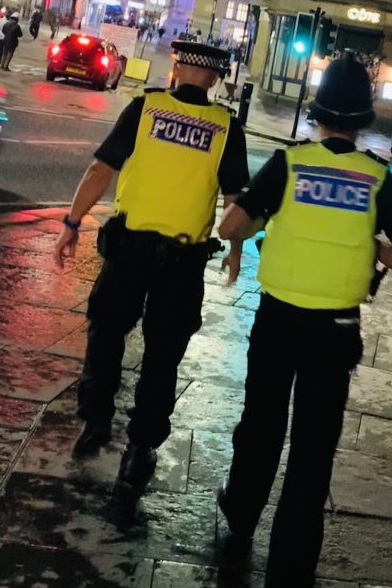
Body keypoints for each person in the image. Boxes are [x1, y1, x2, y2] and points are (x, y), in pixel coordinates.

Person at [217, 52, 392, 588]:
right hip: (334, 333)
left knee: (261, 423)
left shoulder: (289, 164)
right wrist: (378, 249)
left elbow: (231, 224)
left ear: (315, 113)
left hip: (276, 321)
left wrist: (264, 226)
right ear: (364, 119)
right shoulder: (377, 177)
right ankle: (291, 571)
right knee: (313, 451)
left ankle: (240, 520)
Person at [53, 40, 249, 491]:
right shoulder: (225, 128)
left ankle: (96, 420)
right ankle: (140, 448)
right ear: (217, 78)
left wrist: (71, 222)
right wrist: (236, 252)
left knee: (105, 329)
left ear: (176, 69)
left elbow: (101, 171)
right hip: (182, 262)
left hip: (129, 251)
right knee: (163, 354)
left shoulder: (146, 110)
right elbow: (235, 202)